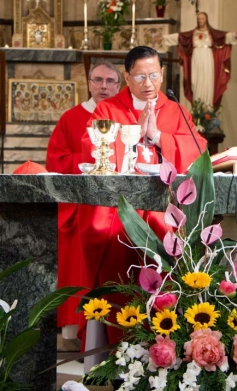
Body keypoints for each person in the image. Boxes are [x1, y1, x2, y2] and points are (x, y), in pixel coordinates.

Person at [78, 46, 206, 369]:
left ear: (162, 75)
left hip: (164, 208)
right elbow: (90, 147)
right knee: (115, 242)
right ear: (127, 77)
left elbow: (198, 148)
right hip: (118, 211)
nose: (148, 83)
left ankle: (166, 352)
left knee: (169, 238)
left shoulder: (175, 108)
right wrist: (133, 139)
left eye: (153, 75)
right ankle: (119, 355)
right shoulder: (107, 108)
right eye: (140, 76)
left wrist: (159, 135)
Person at [45, 60, 121, 347]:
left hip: (117, 208)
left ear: (118, 85)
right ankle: (74, 334)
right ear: (88, 83)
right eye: (98, 80)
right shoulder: (71, 118)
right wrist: (89, 162)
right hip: (81, 208)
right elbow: (56, 161)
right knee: (81, 273)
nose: (104, 86)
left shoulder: (124, 118)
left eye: (110, 81)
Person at [157, 12, 237, 108]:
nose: (201, 20)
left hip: (207, 57)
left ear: (206, 19)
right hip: (196, 58)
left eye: (202, 18)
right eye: (199, 19)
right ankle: (197, 108)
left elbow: (223, 36)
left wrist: (234, 35)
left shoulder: (212, 34)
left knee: (208, 80)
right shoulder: (192, 34)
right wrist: (164, 37)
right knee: (195, 80)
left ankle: (208, 107)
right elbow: (179, 37)